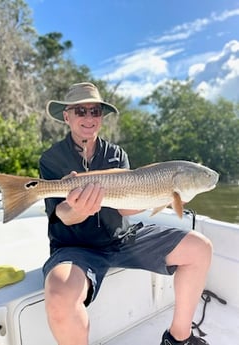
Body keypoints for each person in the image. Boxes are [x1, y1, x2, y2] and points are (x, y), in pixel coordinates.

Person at [39, 82, 212, 345]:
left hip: (122, 239)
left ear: (101, 117)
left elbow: (126, 208)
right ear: (67, 116)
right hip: (75, 247)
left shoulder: (116, 154)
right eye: (80, 111)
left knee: (200, 248)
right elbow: (60, 215)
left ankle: (179, 338)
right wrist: (77, 208)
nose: (88, 117)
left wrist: (160, 195)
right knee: (60, 295)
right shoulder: (51, 159)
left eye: (95, 111)